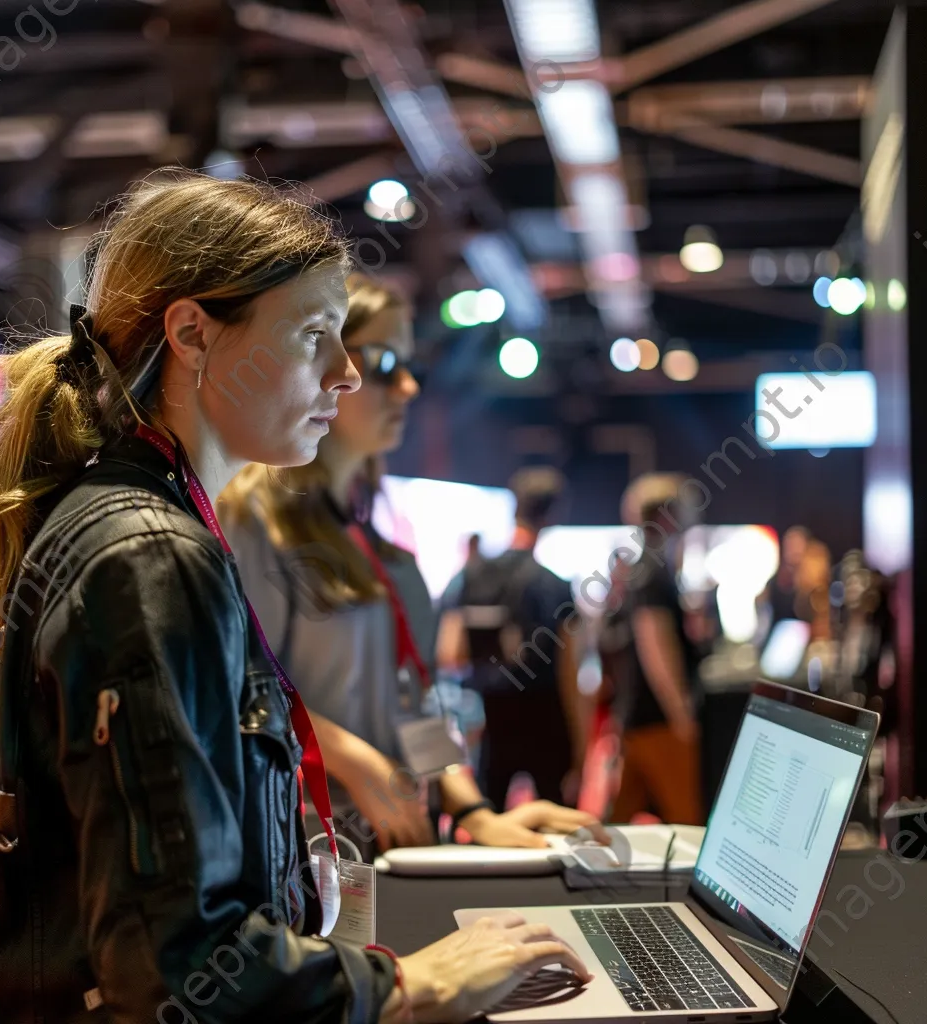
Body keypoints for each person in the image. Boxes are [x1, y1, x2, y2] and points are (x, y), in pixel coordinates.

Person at [0, 172, 591, 1023]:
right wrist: (414, 988)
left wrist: (462, 805)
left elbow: (403, 704)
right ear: (193, 334)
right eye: (318, 334)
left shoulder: (184, 533)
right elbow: (179, 962)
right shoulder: (156, 551)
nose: (351, 375)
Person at [219, 274, 602, 857]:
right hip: (292, 853)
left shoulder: (384, 553)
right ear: (324, 363)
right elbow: (237, 691)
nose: (406, 387)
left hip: (388, 855)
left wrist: (473, 810)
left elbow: (416, 711)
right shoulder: (253, 519)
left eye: (410, 367)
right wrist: (352, 759)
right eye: (382, 362)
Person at [439, 468, 589, 812]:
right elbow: (572, 673)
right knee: (555, 828)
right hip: (547, 722)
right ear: (554, 515)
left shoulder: (471, 575)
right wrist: (582, 748)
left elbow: (449, 653)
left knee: (488, 827)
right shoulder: (556, 587)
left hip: (489, 720)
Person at [598, 473, 703, 825]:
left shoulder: (640, 569)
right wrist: (681, 712)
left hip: (636, 715)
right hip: (656, 720)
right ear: (667, 515)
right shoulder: (653, 572)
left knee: (620, 819)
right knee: (687, 820)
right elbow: (654, 643)